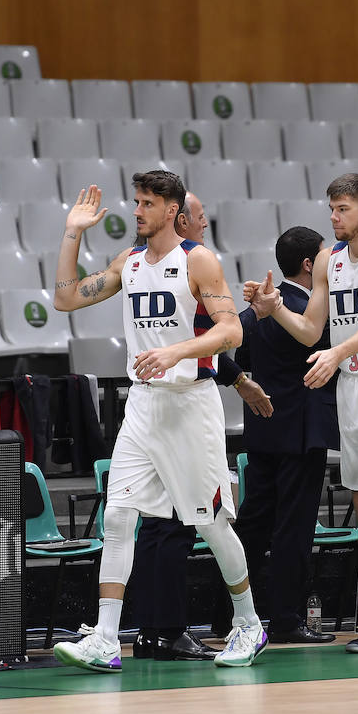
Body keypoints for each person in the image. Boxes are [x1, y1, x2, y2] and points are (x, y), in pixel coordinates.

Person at [50, 173, 265, 671]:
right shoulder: (128, 263)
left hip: (190, 403)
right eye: (136, 201)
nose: (138, 210)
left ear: (173, 210)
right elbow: (65, 298)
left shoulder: (197, 260)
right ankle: (105, 637)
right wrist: (72, 232)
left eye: (148, 203)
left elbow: (231, 331)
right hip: (143, 406)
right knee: (120, 514)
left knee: (210, 523)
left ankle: (249, 623)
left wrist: (176, 351)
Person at [245, 173, 358, 653]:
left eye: (342, 208)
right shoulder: (329, 260)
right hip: (353, 387)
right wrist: (274, 309)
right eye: (331, 208)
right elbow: (309, 331)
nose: (333, 217)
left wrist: (337, 351)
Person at [131, 190, 270, 662]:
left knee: (172, 522)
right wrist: (256, 316)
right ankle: (160, 628)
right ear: (181, 220)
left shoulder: (191, 266)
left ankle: (160, 628)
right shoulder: (165, 265)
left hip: (184, 395)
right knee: (168, 522)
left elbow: (204, 338)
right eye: (202, 219)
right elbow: (205, 334)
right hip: (167, 401)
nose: (205, 226)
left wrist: (240, 380)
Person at [230, 226, 340, 644]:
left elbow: (240, 354)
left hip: (262, 429)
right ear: (310, 264)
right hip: (300, 432)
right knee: (293, 528)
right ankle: (287, 619)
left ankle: (237, 616)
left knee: (254, 525)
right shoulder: (306, 312)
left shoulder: (261, 310)